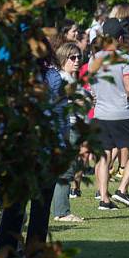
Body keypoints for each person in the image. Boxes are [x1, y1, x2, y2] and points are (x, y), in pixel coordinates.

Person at [0, 39, 63, 257]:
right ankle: (34, 250)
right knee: (40, 205)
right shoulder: (51, 77)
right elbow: (58, 117)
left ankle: (6, 250)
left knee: (14, 206)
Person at [89, 18, 129, 210]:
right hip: (121, 113)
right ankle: (122, 190)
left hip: (100, 113)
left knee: (103, 156)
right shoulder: (124, 58)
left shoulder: (93, 59)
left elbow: (92, 87)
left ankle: (104, 198)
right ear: (120, 38)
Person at [51, 42, 87, 223]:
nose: (77, 61)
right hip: (67, 128)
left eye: (79, 57)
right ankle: (62, 212)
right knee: (65, 171)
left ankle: (60, 210)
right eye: (72, 58)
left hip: (73, 127)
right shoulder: (62, 78)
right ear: (63, 59)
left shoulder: (71, 79)